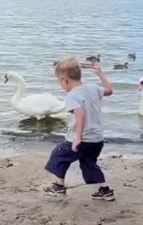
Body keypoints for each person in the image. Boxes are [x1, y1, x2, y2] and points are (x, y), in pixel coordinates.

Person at [44, 56, 115, 201]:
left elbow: (80, 115)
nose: (61, 85)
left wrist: (77, 138)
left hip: (81, 139)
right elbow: (109, 90)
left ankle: (58, 187)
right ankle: (104, 190)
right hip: (97, 139)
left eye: (60, 82)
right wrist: (100, 73)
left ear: (64, 80)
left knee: (59, 155)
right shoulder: (93, 87)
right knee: (89, 163)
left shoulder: (72, 96)